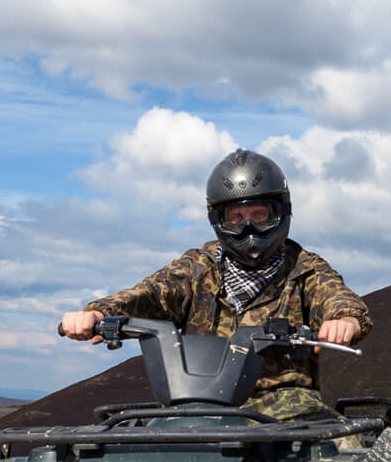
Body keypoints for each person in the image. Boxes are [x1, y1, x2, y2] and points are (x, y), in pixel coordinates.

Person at [59, 148, 369, 420]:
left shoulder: (304, 268)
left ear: (281, 213)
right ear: (217, 220)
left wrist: (344, 321)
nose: (247, 226)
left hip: (287, 410)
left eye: (260, 215)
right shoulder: (197, 268)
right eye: (235, 217)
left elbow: (336, 298)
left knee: (343, 458)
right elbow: (149, 295)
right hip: (197, 406)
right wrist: (98, 314)